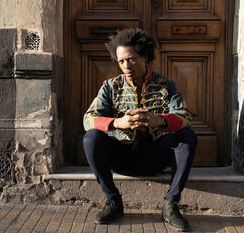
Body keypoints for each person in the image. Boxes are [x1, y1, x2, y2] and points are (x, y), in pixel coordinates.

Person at [82, 28, 197, 232]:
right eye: (121, 61)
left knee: (187, 136)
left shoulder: (166, 85)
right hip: (121, 157)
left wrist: (159, 120)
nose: (126, 66)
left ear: (144, 57)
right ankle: (113, 200)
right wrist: (118, 123)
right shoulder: (110, 86)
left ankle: (171, 204)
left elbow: (184, 116)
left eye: (132, 59)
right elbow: (88, 119)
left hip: (155, 156)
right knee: (91, 137)